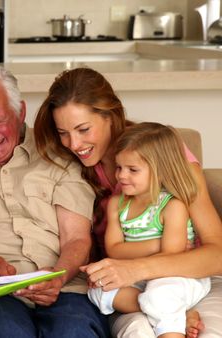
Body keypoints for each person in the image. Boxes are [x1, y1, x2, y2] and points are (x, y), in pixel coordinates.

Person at [33, 67, 222, 337]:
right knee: (138, 331)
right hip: (127, 290)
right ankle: (172, 312)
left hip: (188, 278)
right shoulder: (71, 169)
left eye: (83, 129)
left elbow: (218, 255)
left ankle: (174, 310)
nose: (74, 144)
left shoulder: (161, 154)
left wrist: (137, 267)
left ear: (111, 115)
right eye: (63, 132)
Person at [0, 65, 109, 337]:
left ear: (20, 112)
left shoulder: (58, 154)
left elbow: (76, 239)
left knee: (74, 331)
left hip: (65, 286)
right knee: (3, 331)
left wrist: (58, 276)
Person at [86, 122, 210, 338]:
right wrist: (156, 244)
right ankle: (180, 312)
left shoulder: (173, 206)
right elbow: (114, 250)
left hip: (177, 275)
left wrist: (134, 250)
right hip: (139, 276)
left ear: (160, 171)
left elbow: (172, 254)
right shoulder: (118, 204)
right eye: (118, 167)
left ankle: (170, 325)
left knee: (159, 295)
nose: (122, 176)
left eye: (132, 170)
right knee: (97, 289)